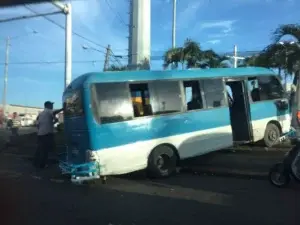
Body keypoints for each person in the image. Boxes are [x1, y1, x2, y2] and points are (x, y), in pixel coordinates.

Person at [33, 101, 64, 169]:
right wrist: (63, 108)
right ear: (48, 106)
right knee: (46, 150)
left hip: (40, 134)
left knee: (41, 149)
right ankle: (43, 165)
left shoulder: (41, 113)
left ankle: (37, 163)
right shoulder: (48, 111)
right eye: (51, 105)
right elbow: (55, 112)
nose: (52, 106)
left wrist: (52, 123)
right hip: (47, 134)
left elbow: (38, 123)